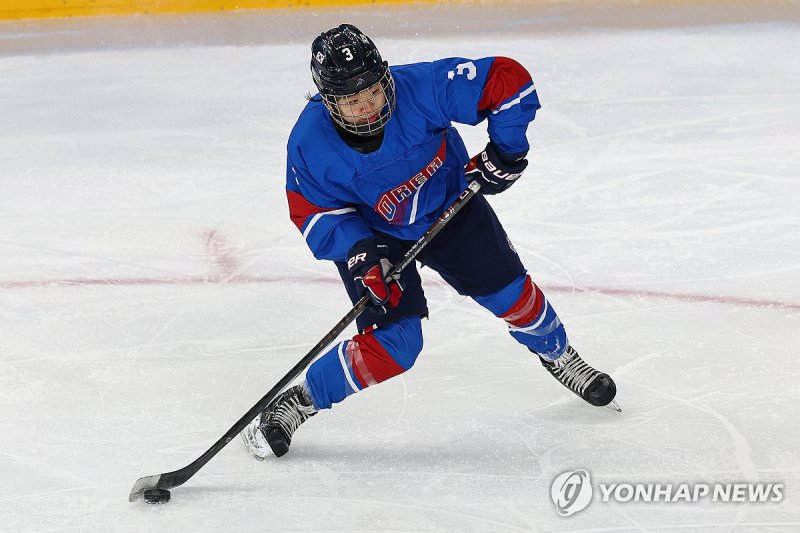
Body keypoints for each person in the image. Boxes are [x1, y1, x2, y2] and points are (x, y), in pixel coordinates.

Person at [242, 24, 618, 459]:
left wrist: (506, 152)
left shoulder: (423, 86)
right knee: (395, 346)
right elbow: (314, 213)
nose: (367, 107)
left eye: (373, 91)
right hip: (377, 237)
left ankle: (558, 353)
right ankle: (298, 401)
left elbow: (508, 81)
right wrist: (360, 253)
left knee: (514, 296)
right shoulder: (309, 144)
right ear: (329, 102)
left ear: (386, 77)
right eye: (351, 100)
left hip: (451, 206)